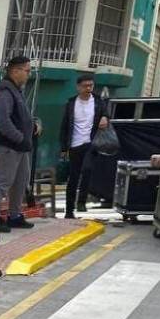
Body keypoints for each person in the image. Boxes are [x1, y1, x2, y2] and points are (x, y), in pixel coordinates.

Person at [0, 55, 39, 232]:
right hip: (7, 146)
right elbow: (2, 121)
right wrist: (20, 137)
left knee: (20, 181)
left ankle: (14, 216)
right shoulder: (4, 91)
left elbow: (21, 117)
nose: (29, 74)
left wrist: (32, 126)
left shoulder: (16, 91)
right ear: (15, 71)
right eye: (27, 70)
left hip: (20, 147)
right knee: (2, 181)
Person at [58, 73, 110, 218]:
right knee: (73, 177)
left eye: (91, 86)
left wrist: (105, 117)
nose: (88, 88)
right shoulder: (71, 103)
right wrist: (63, 148)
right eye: (85, 86)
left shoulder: (98, 101)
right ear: (78, 87)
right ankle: (69, 210)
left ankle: (81, 202)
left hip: (91, 143)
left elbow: (106, 113)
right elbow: (64, 127)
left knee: (87, 170)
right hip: (74, 144)